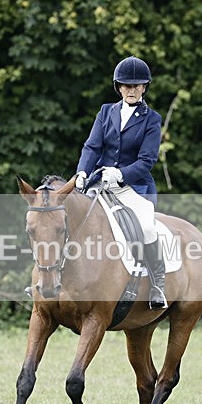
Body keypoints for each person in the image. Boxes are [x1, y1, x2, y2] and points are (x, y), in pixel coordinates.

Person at [74, 56, 167, 310]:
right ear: (119, 87)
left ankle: (158, 283)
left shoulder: (151, 119)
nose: (132, 90)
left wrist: (120, 174)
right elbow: (92, 146)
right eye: (127, 86)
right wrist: (82, 172)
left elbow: (146, 161)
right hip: (100, 182)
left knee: (147, 227)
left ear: (144, 87)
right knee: (71, 218)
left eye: (137, 86)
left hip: (133, 187)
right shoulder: (106, 111)